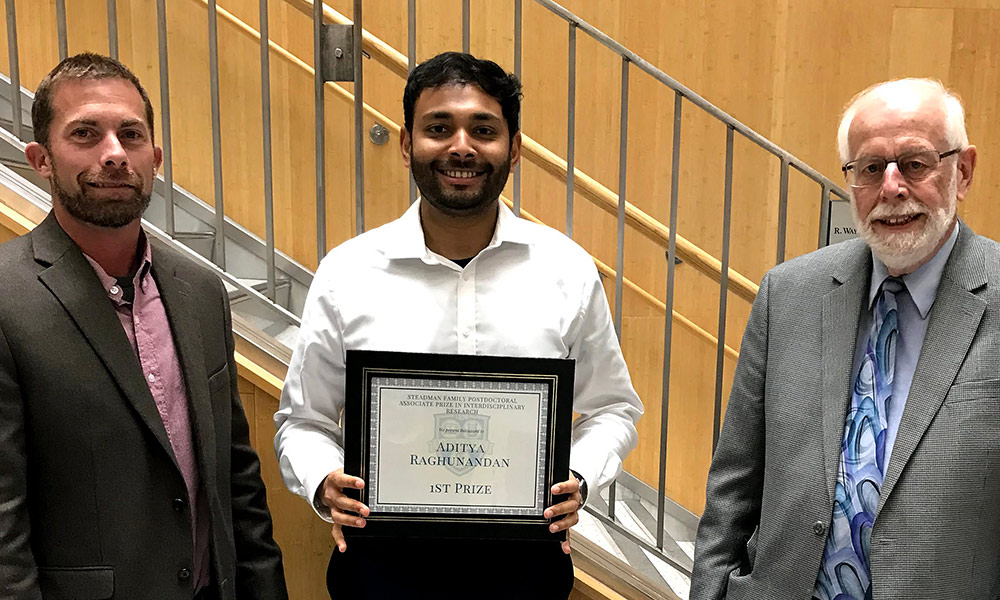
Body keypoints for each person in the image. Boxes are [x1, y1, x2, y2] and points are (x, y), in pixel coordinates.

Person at [275, 51, 643, 599]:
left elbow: (615, 408)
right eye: (438, 128)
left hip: (526, 570)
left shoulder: (567, 271)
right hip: (381, 570)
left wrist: (580, 478)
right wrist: (325, 481)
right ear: (407, 145)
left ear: (514, 149)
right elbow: (301, 422)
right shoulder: (348, 273)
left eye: (484, 129)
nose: (461, 147)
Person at [690, 78, 994, 600]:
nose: (892, 188)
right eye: (871, 168)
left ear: (961, 172)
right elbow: (734, 485)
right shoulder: (788, 293)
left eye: (915, 164)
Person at [0, 53, 287, 600]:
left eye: (130, 134)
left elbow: (236, 479)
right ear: (41, 159)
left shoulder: (201, 292)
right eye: (85, 133)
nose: (114, 153)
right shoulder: (6, 298)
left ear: (154, 156)